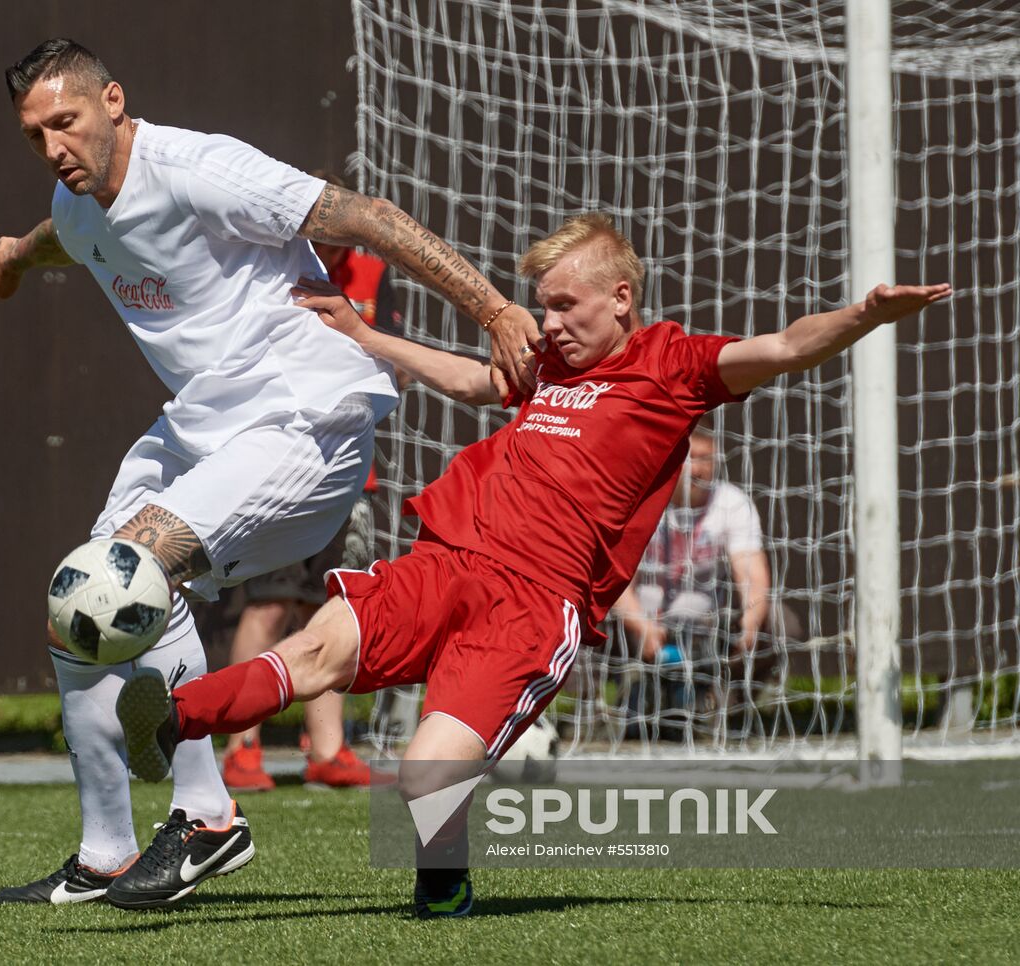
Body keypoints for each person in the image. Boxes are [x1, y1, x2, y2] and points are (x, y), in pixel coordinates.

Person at [113, 212, 951, 918]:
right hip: (447, 558)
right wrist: (368, 338)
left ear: (620, 297)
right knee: (312, 652)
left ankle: (443, 880)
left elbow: (786, 346)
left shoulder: (673, 366)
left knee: (426, 776)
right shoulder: (549, 364)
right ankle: (169, 721)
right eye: (543, 307)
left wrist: (863, 315)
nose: (546, 324)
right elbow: (477, 382)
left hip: (532, 607)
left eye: (563, 305)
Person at [0, 39, 542, 910]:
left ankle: (208, 818)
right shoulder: (76, 200)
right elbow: (69, 238)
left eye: (67, 121)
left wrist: (497, 311)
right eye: (35, 135)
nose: (54, 146)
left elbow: (364, 216)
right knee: (77, 608)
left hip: (302, 417)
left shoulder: (200, 168)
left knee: (133, 572)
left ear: (113, 101)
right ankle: (106, 852)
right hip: (203, 427)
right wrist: (15, 255)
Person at [222, 171, 402, 793]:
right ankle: (241, 746)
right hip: (279, 464)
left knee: (330, 609)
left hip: (349, 469)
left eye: (336, 223)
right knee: (269, 604)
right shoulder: (271, 266)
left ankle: (328, 750)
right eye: (316, 222)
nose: (327, 234)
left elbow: (391, 356)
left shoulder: (373, 273)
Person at [612, 426, 774, 737]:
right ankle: (600, 707)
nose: (697, 469)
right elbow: (617, 579)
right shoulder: (641, 499)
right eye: (690, 457)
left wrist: (751, 622)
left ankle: (725, 707)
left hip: (707, 628)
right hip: (637, 623)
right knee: (582, 610)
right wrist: (642, 627)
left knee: (778, 622)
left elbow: (752, 574)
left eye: (705, 458)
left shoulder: (731, 502)